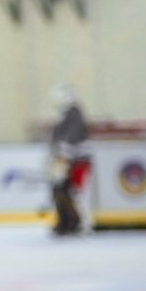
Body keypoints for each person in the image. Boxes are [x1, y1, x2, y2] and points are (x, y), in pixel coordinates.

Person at [46, 83, 91, 235]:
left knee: (74, 193)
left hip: (75, 161)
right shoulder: (67, 114)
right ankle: (66, 222)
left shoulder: (73, 114)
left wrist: (63, 157)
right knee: (61, 191)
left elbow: (71, 138)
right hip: (68, 160)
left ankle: (76, 223)